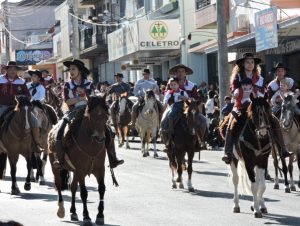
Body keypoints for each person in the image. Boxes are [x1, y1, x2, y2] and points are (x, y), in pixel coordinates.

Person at [53, 59, 124, 169]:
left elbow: (93, 99)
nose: (70, 72)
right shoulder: (67, 84)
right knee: (60, 129)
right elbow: (67, 101)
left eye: (73, 69)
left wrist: (86, 100)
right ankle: (60, 159)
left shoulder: (89, 84)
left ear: (79, 71)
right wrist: (82, 98)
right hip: (73, 111)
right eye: (70, 69)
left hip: (89, 111)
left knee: (108, 130)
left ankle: (113, 158)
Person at [222, 53, 291, 164]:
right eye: (248, 62)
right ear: (243, 64)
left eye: (252, 62)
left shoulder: (260, 78)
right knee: (230, 123)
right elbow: (233, 89)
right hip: (240, 105)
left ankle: (282, 149)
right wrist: (236, 92)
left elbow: (263, 92)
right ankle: (227, 152)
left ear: (255, 64)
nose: (250, 64)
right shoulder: (237, 77)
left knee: (275, 121)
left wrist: (259, 95)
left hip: (256, 104)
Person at [0, 61, 44, 153]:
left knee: (34, 120)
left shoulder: (21, 81)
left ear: (17, 70)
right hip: (3, 106)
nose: (12, 71)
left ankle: (37, 144)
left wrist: (22, 97)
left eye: (14, 69)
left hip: (18, 108)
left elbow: (28, 95)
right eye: (10, 69)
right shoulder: (0, 79)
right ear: (7, 70)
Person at [163, 77, 189, 148]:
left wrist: (186, 99)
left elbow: (187, 99)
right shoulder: (169, 92)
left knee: (192, 115)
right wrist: (178, 98)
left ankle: (196, 135)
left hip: (183, 108)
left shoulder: (183, 92)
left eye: (175, 84)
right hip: (174, 108)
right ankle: (170, 131)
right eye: (171, 85)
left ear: (178, 85)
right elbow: (166, 101)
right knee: (170, 115)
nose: (173, 86)